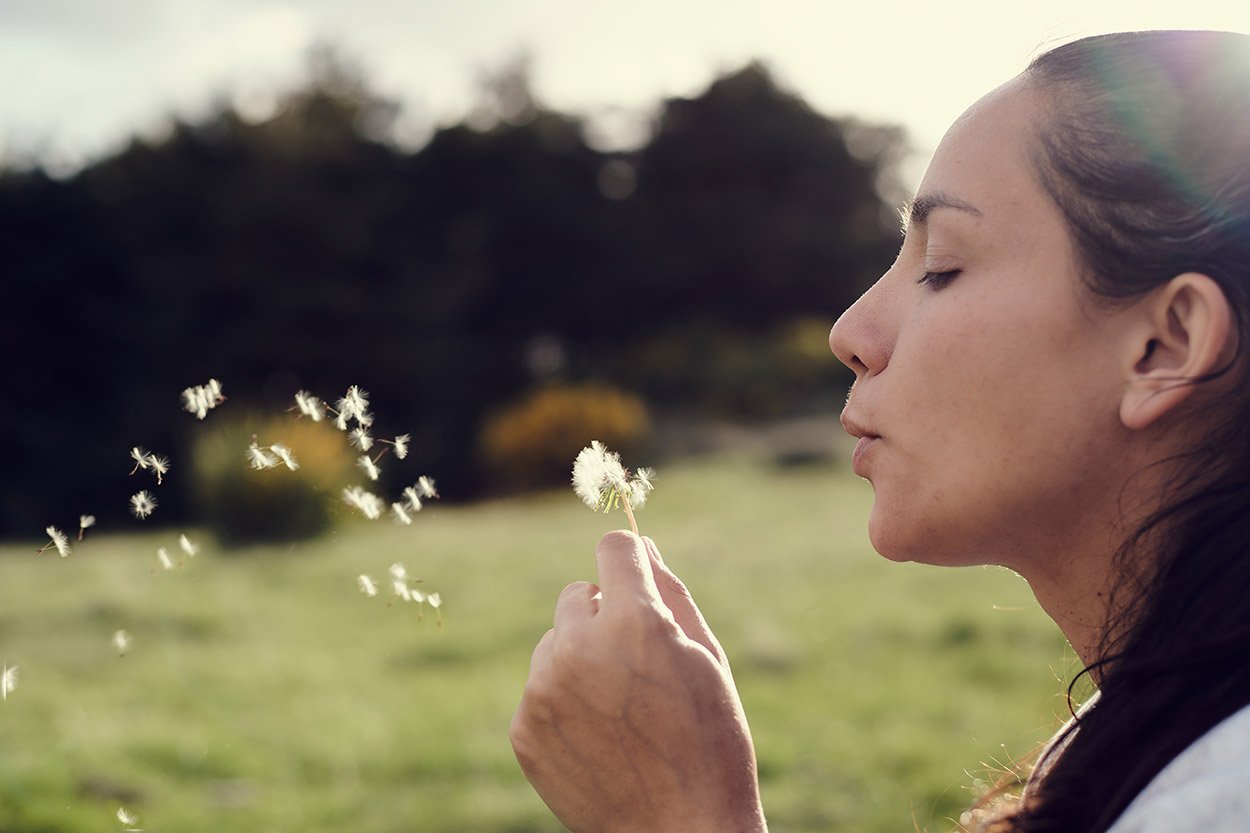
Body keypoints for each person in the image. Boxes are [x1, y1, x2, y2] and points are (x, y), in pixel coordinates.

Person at [509, 29, 1250, 833]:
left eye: (943, 266)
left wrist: (680, 814)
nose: (849, 330)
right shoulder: (1146, 741)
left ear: (1165, 345)